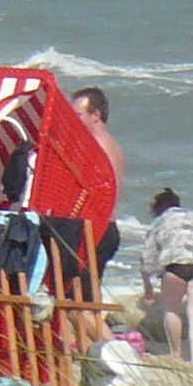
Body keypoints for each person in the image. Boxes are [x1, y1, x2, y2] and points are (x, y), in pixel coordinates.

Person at [140, 188, 193, 364]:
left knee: (172, 310)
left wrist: (148, 288)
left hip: (174, 264)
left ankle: (176, 354)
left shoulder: (159, 221)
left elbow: (147, 258)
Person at [72, 88, 126, 285]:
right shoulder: (113, 145)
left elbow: (95, 189)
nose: (74, 120)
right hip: (106, 227)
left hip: (96, 228)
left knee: (78, 294)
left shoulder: (95, 146)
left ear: (96, 115)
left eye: (78, 115)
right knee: (89, 292)